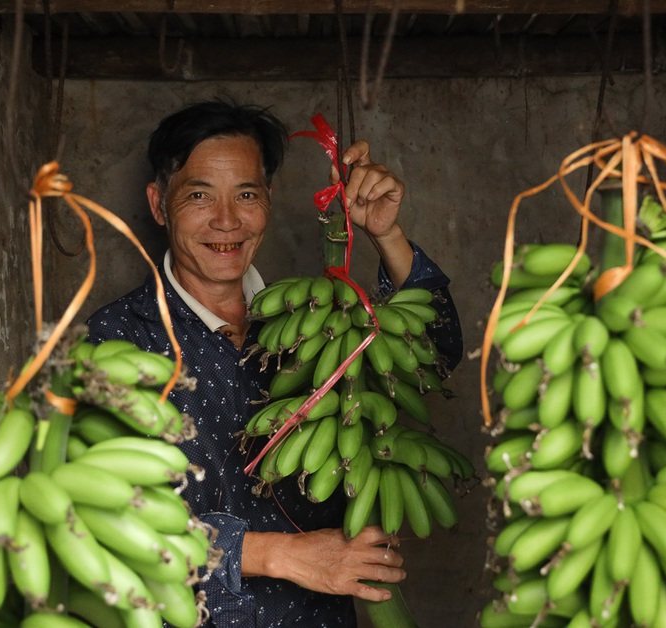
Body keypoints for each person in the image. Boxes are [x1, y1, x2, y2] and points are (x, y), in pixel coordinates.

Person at [85, 100, 463, 626]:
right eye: (199, 195)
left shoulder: (315, 320)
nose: (226, 221)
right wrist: (281, 555)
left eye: (246, 194)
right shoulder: (117, 339)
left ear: (268, 200)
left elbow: (437, 354)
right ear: (158, 203)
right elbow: (108, 518)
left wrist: (385, 235)